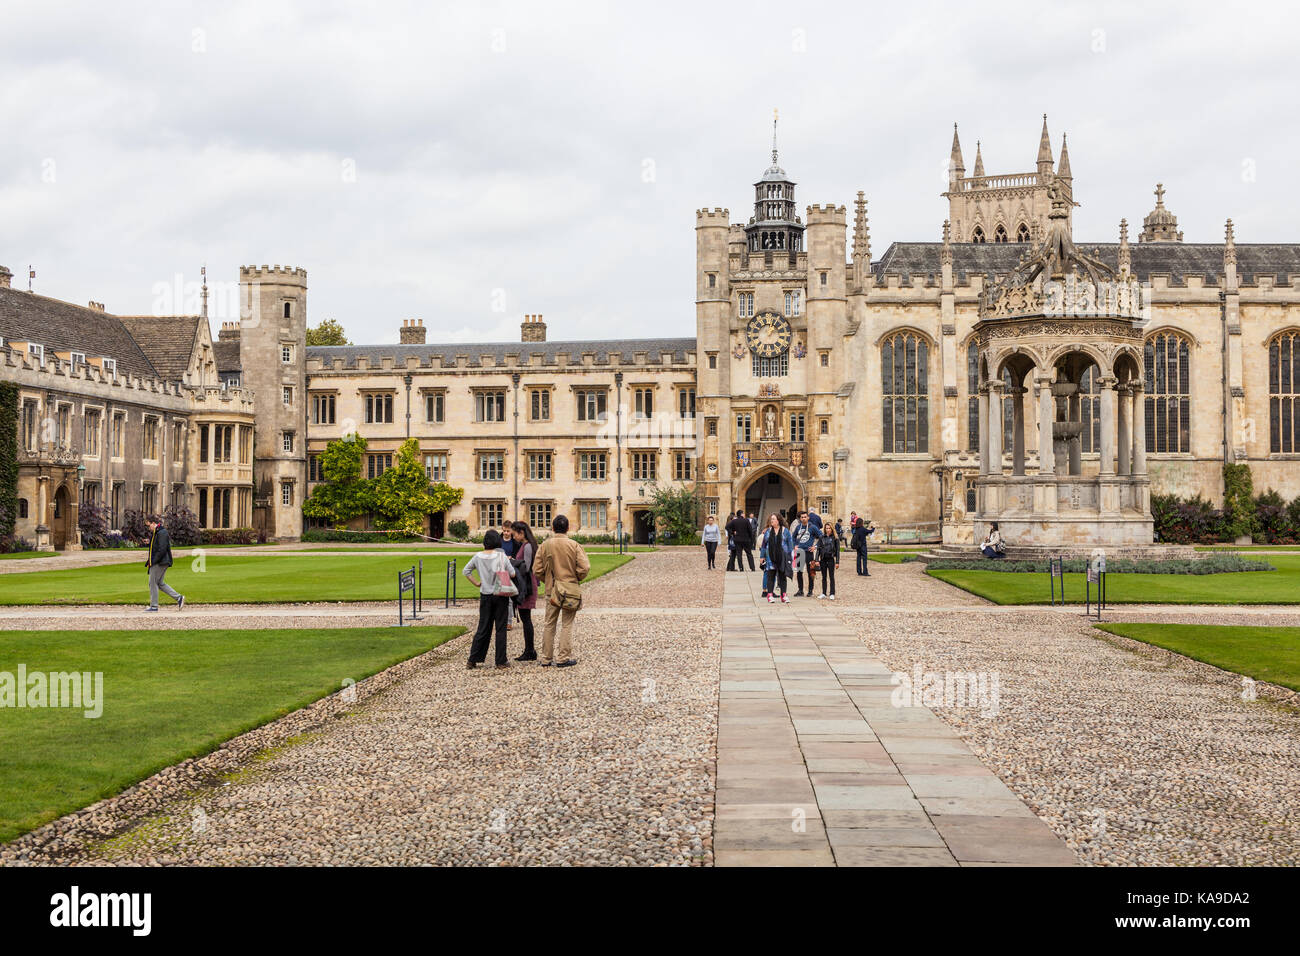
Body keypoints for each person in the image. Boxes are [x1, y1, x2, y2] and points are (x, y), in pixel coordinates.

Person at [534, 514, 590, 668]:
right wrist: (575, 578)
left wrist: (549, 581)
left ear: (552, 528)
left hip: (551, 590)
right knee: (566, 624)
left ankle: (546, 659)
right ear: (568, 528)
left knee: (549, 624)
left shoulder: (545, 545)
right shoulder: (574, 545)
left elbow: (536, 569)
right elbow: (585, 568)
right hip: (570, 588)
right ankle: (563, 657)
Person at [463, 529, 518, 669]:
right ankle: (500, 661)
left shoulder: (477, 556)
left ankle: (473, 659)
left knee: (483, 628)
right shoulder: (501, 556)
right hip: (500, 594)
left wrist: (476, 583)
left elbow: (466, 571)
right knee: (500, 628)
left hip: (485, 595)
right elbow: (512, 574)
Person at [510, 521, 540, 661]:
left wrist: (511, 562)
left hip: (527, 585)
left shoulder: (527, 546)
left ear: (521, 533)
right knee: (525, 618)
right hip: (526, 584)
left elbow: (526, 567)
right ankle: (529, 650)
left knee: (526, 619)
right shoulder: (526, 545)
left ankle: (530, 651)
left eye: (514, 534)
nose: (513, 537)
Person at [144, 517, 185, 612]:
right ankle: (179, 598)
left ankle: (154, 606)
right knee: (160, 583)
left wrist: (154, 561)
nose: (148, 528)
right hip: (162, 561)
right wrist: (149, 542)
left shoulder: (161, 532)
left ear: (153, 523)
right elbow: (157, 546)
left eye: (149, 525)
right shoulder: (158, 532)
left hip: (160, 562)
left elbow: (162, 549)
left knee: (153, 583)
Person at [758, 513, 793, 604]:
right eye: (771, 519)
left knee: (782, 576)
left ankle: (783, 595)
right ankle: (770, 594)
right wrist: (762, 556)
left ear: (778, 520)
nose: (771, 521)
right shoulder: (768, 531)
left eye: (773, 519)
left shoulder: (785, 531)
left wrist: (790, 557)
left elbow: (790, 545)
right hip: (770, 557)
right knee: (771, 575)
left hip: (783, 557)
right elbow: (764, 545)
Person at [791, 511, 817, 597]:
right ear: (800, 518)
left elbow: (821, 536)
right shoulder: (798, 527)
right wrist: (795, 545)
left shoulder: (812, 527)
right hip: (800, 552)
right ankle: (800, 590)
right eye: (802, 517)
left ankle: (810, 590)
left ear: (808, 517)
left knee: (810, 571)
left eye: (805, 517)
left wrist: (815, 546)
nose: (803, 518)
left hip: (808, 552)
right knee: (799, 571)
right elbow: (793, 537)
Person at [816, 527, 840, 599]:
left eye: (829, 528)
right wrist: (817, 559)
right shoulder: (821, 537)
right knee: (824, 577)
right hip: (823, 559)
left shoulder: (835, 538)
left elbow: (837, 551)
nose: (828, 530)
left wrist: (837, 562)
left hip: (831, 558)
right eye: (826, 528)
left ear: (832, 529)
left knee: (831, 576)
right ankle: (824, 593)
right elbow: (818, 549)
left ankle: (832, 593)